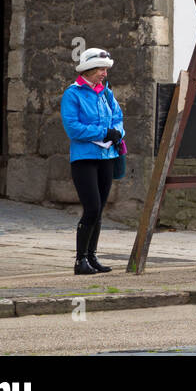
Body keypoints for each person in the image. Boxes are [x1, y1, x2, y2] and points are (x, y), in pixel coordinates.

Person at [61, 47, 125, 275]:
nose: (104, 73)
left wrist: (116, 132)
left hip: (106, 157)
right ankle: (80, 260)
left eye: (106, 69)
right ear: (87, 69)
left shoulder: (106, 93)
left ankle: (92, 257)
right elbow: (73, 128)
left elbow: (118, 118)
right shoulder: (73, 94)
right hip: (84, 158)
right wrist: (102, 132)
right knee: (92, 208)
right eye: (100, 69)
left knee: (99, 211)